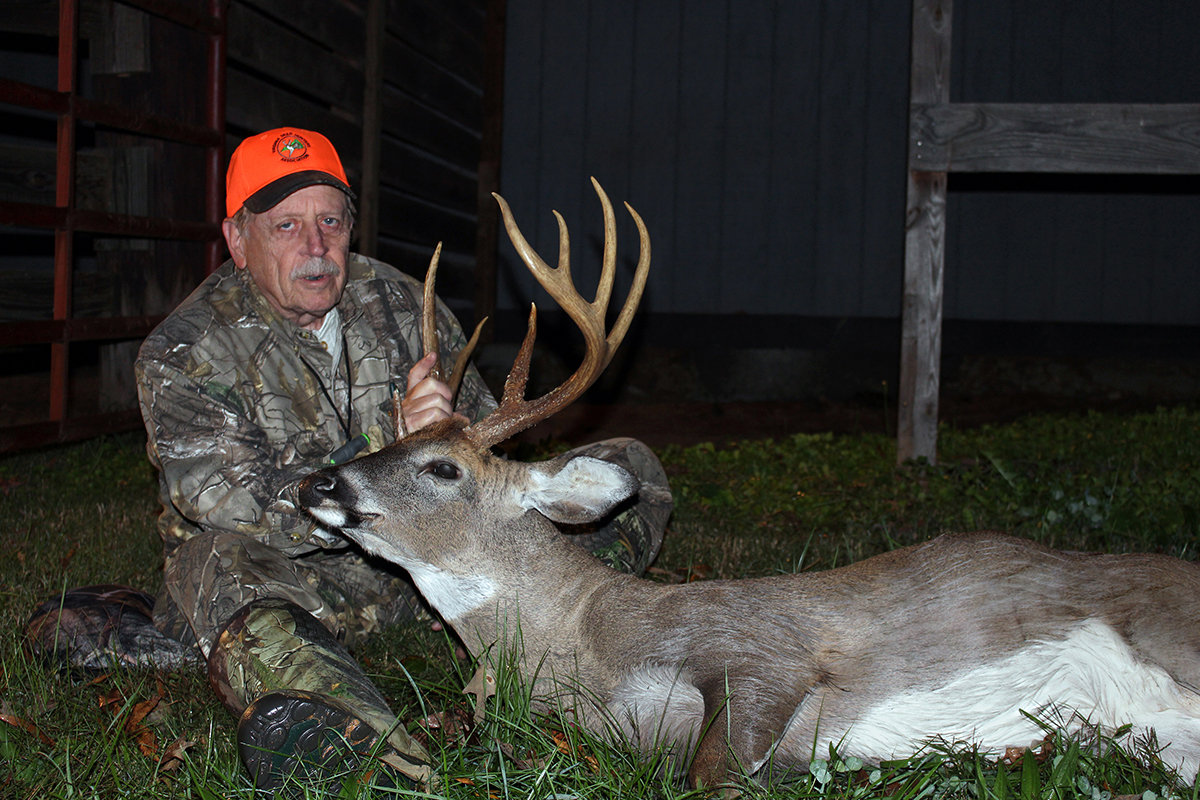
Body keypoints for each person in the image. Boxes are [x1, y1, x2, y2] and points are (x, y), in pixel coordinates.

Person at [26, 127, 672, 793]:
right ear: (238, 239)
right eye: (286, 225)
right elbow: (230, 501)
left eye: (330, 220)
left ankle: (556, 629)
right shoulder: (184, 351)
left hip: (431, 567)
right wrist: (394, 447)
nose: (315, 246)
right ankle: (378, 758)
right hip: (292, 583)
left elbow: (481, 457)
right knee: (212, 558)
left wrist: (454, 429)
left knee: (628, 465)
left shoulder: (399, 302)